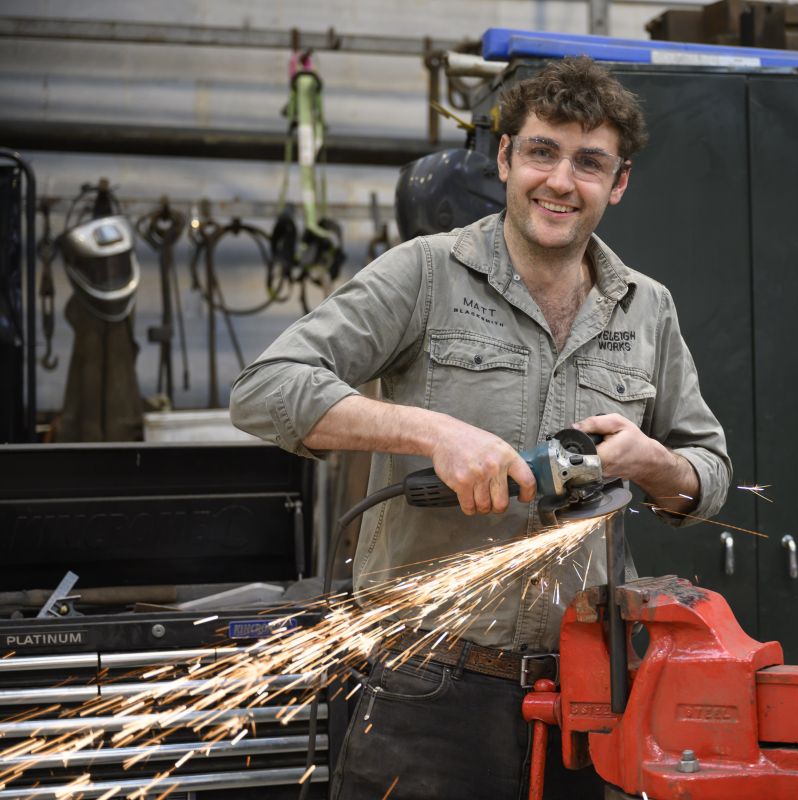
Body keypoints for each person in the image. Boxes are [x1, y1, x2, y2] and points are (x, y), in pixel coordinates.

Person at [230, 56, 730, 800]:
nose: (561, 181)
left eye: (590, 163)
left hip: (587, 694)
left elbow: (711, 473)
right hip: (424, 684)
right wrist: (432, 434)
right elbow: (264, 390)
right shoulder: (425, 274)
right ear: (504, 158)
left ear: (618, 184)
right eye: (541, 152)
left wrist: (656, 463)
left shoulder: (646, 308)